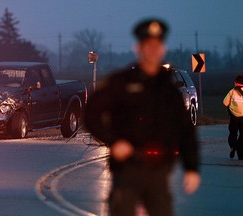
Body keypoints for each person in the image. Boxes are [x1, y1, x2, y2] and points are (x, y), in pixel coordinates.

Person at [84, 18, 200, 216]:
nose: (153, 50)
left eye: (157, 46)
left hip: (159, 171)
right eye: (148, 46)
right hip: (127, 169)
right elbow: (91, 113)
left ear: (162, 49)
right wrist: (114, 141)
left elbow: (186, 129)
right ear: (138, 48)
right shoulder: (121, 82)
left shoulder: (170, 90)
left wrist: (191, 167)